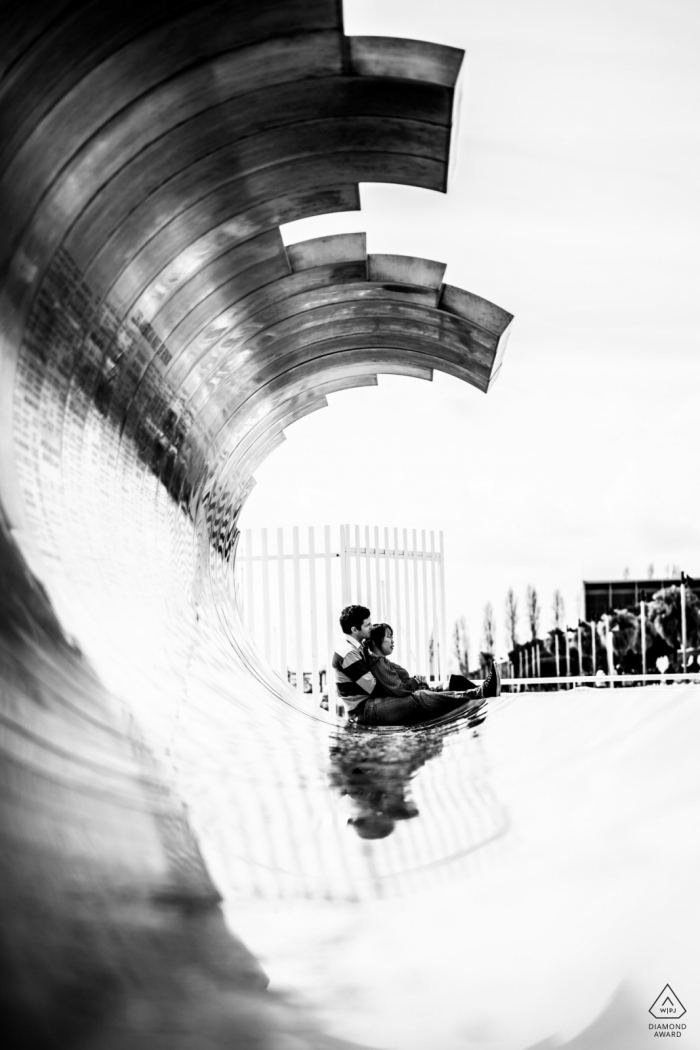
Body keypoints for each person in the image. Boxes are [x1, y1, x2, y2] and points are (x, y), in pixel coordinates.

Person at [332, 605, 500, 727]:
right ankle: (480, 693)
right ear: (354, 629)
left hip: (373, 704)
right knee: (419, 698)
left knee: (437, 688)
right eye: (367, 625)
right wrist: (409, 687)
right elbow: (375, 687)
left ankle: (482, 694)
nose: (371, 627)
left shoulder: (359, 648)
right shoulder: (348, 653)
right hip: (363, 710)